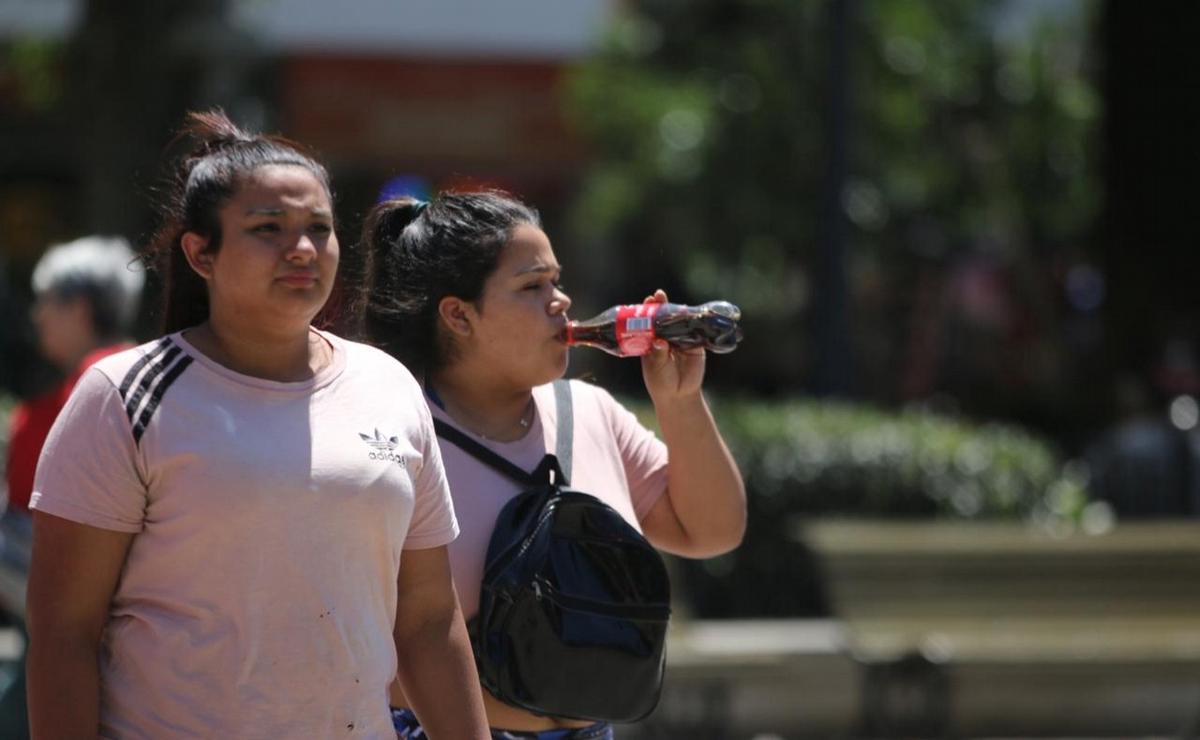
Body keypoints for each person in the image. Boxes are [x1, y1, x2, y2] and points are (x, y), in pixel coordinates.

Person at [24, 111, 489, 739]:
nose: (301, 249)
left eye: (318, 229)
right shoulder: (123, 398)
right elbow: (63, 633)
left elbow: (430, 622)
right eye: (268, 229)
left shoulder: (389, 387)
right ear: (200, 253)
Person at [356, 191, 747, 738]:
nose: (560, 300)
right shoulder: (391, 436)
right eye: (531, 286)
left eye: (556, 281)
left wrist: (680, 402)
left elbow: (711, 531)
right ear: (458, 315)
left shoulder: (588, 410)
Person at [5, 235, 144, 519]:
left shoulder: (96, 385)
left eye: (46, 300)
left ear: (79, 309)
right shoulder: (142, 372)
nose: (37, 316)